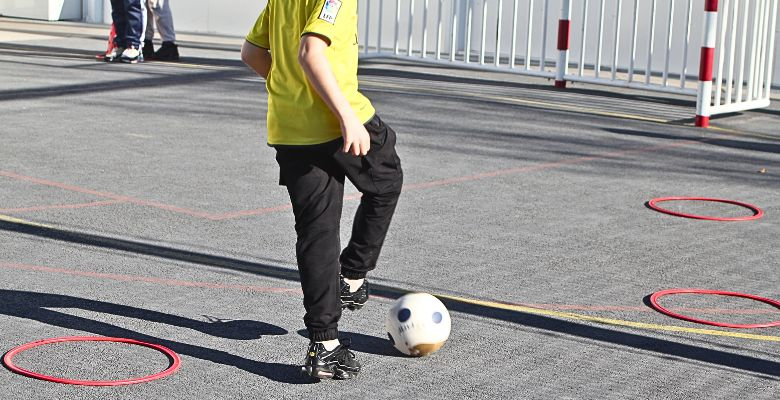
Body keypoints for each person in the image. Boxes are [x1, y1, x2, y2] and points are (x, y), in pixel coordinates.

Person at [241, 0, 404, 380]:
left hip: (291, 128)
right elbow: (310, 50)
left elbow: (251, 52)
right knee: (387, 182)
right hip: (336, 122)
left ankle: (324, 344)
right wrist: (346, 115)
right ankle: (353, 273)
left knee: (317, 231)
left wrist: (289, 90)